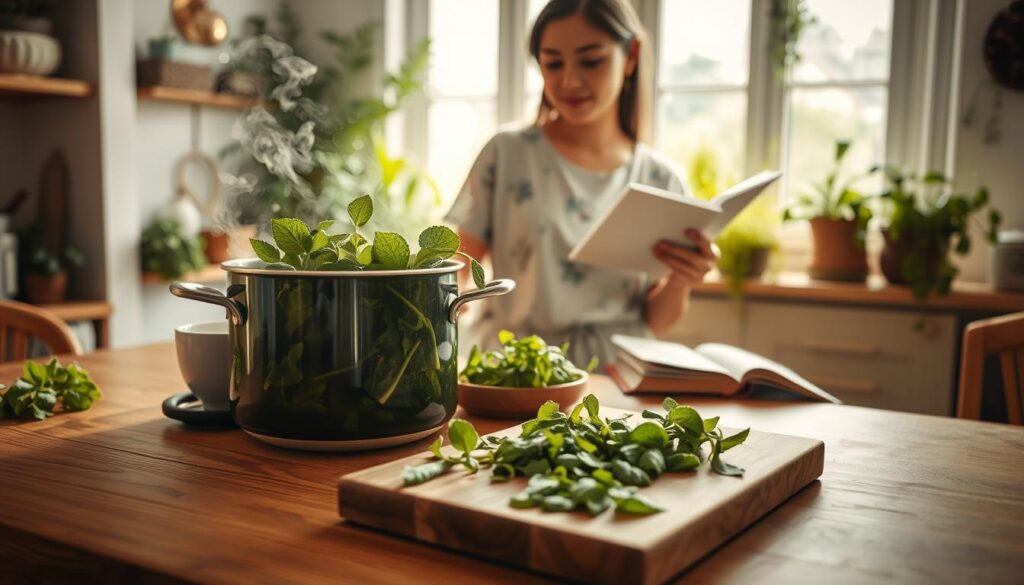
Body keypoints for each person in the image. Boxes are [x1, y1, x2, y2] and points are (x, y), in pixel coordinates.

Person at [445, 0, 717, 366]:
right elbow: (459, 269)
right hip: (516, 369)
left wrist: (683, 279)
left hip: (619, 375)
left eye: (591, 61)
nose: (569, 80)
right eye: (553, 63)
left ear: (631, 55)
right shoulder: (505, 154)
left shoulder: (659, 178)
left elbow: (656, 321)